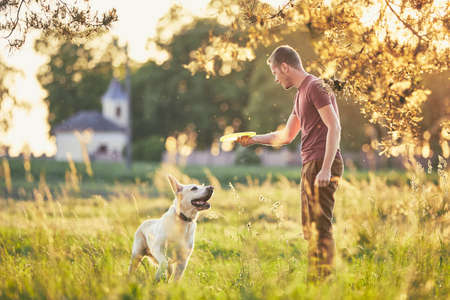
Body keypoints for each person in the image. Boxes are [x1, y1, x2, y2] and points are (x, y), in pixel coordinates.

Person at [236, 45, 344, 280]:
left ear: (285, 66)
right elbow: (284, 136)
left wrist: (326, 168)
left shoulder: (315, 87)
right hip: (310, 164)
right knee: (310, 228)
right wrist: (253, 139)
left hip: (321, 162)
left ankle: (323, 284)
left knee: (321, 227)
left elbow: (334, 126)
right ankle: (316, 279)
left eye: (275, 72)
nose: (275, 78)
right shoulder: (300, 95)